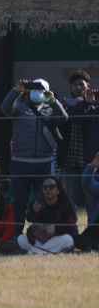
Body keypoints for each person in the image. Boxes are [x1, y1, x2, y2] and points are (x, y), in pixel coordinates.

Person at [1, 78, 67, 229]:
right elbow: (4, 108)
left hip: (44, 163)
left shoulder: (50, 111)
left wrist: (52, 100)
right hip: (20, 162)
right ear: (28, 92)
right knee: (19, 201)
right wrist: (17, 90)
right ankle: (17, 234)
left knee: (43, 199)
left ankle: (40, 233)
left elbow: (63, 118)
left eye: (41, 89)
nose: (38, 92)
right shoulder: (19, 108)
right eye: (34, 88)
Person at [17, 175, 77, 254]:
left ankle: (32, 252)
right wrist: (34, 211)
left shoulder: (65, 203)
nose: (48, 189)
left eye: (51, 187)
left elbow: (70, 225)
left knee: (68, 240)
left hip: (57, 238)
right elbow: (29, 218)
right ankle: (45, 251)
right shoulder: (37, 203)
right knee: (21, 238)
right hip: (40, 238)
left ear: (58, 190)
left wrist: (56, 228)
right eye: (45, 187)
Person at [59, 71, 92, 209]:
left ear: (88, 86)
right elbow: (67, 120)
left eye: (81, 84)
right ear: (71, 88)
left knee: (91, 198)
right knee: (69, 199)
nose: (78, 88)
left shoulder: (94, 105)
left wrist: (86, 103)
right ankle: (71, 229)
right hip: (69, 158)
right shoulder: (63, 106)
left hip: (89, 159)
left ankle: (93, 230)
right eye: (75, 85)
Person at [71, 151, 99, 252]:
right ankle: (93, 245)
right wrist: (91, 168)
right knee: (74, 240)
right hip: (95, 230)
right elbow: (87, 185)